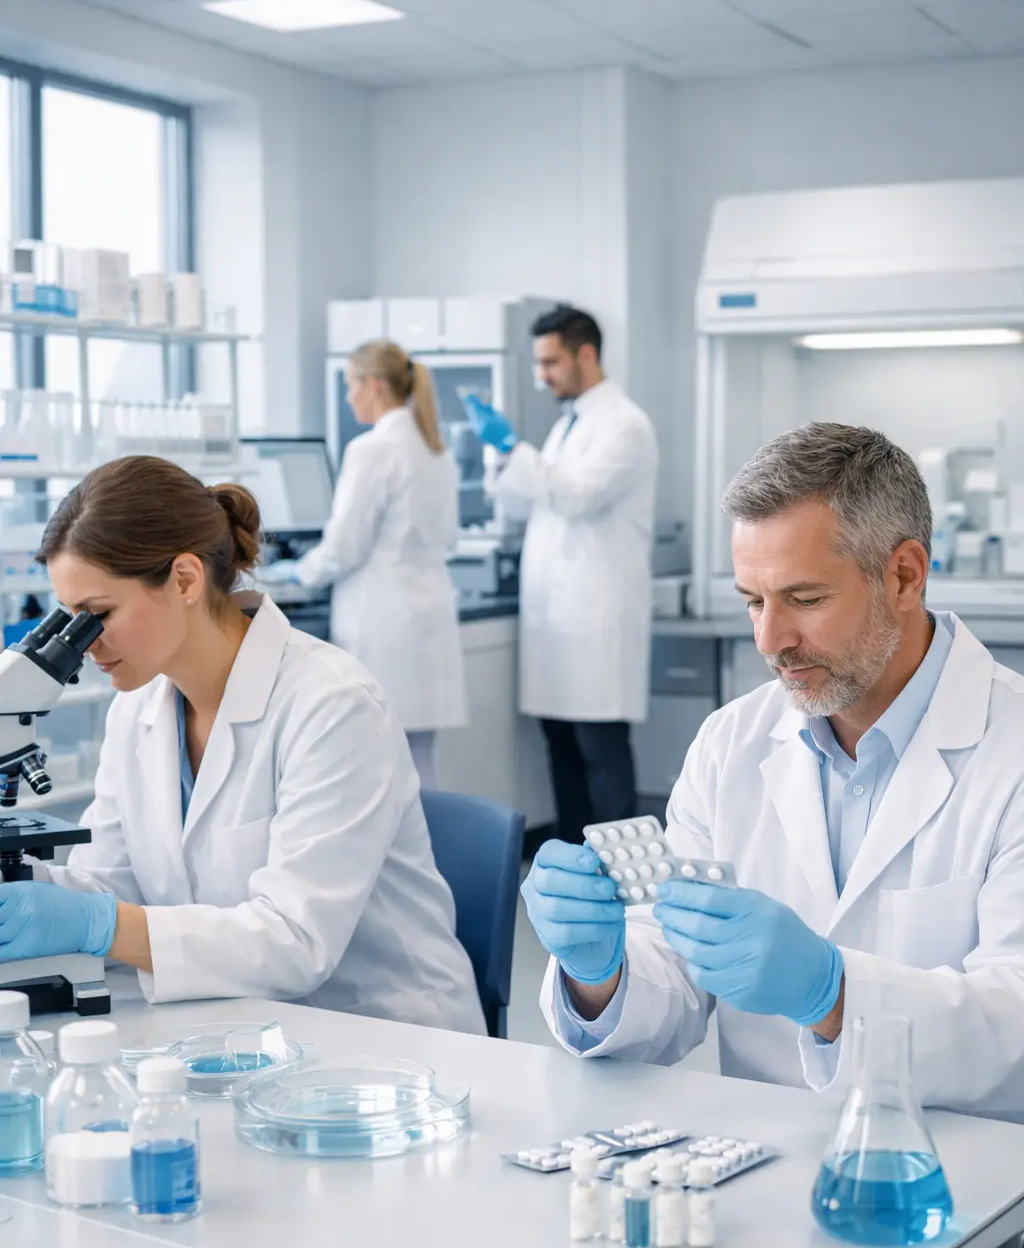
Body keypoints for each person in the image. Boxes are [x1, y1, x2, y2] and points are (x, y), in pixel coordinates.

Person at [524, 422, 1024, 1118]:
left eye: (805, 599)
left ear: (905, 576)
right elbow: (673, 976)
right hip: (765, 1165)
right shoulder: (733, 741)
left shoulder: (1012, 750)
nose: (770, 641)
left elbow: (1016, 1029)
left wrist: (834, 994)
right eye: (754, 601)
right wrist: (598, 974)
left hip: (964, 1181)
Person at [0, 456, 485, 1034]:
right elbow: (112, 884)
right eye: (69, 619)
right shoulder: (138, 707)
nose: (81, 645)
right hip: (230, 1031)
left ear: (184, 579)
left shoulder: (333, 705)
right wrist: (29, 894)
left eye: (97, 615)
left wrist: (95, 924)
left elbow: (294, 941)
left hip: (383, 1042)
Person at [475, 304, 657, 842]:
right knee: (562, 748)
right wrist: (498, 456)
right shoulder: (566, 428)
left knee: (601, 752)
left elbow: (575, 497)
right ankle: (578, 867)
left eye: (550, 362)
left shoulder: (626, 425)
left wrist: (514, 448)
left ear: (586, 353)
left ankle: (625, 873)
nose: (542, 375)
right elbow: (523, 501)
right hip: (556, 622)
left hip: (596, 620)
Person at [273, 341, 466, 790]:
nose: (348, 398)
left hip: (385, 617)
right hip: (429, 609)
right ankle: (426, 857)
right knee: (418, 757)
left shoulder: (372, 449)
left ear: (373, 386)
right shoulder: (436, 449)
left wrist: (297, 573)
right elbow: (450, 537)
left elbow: (343, 547)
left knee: (380, 754)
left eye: (350, 386)